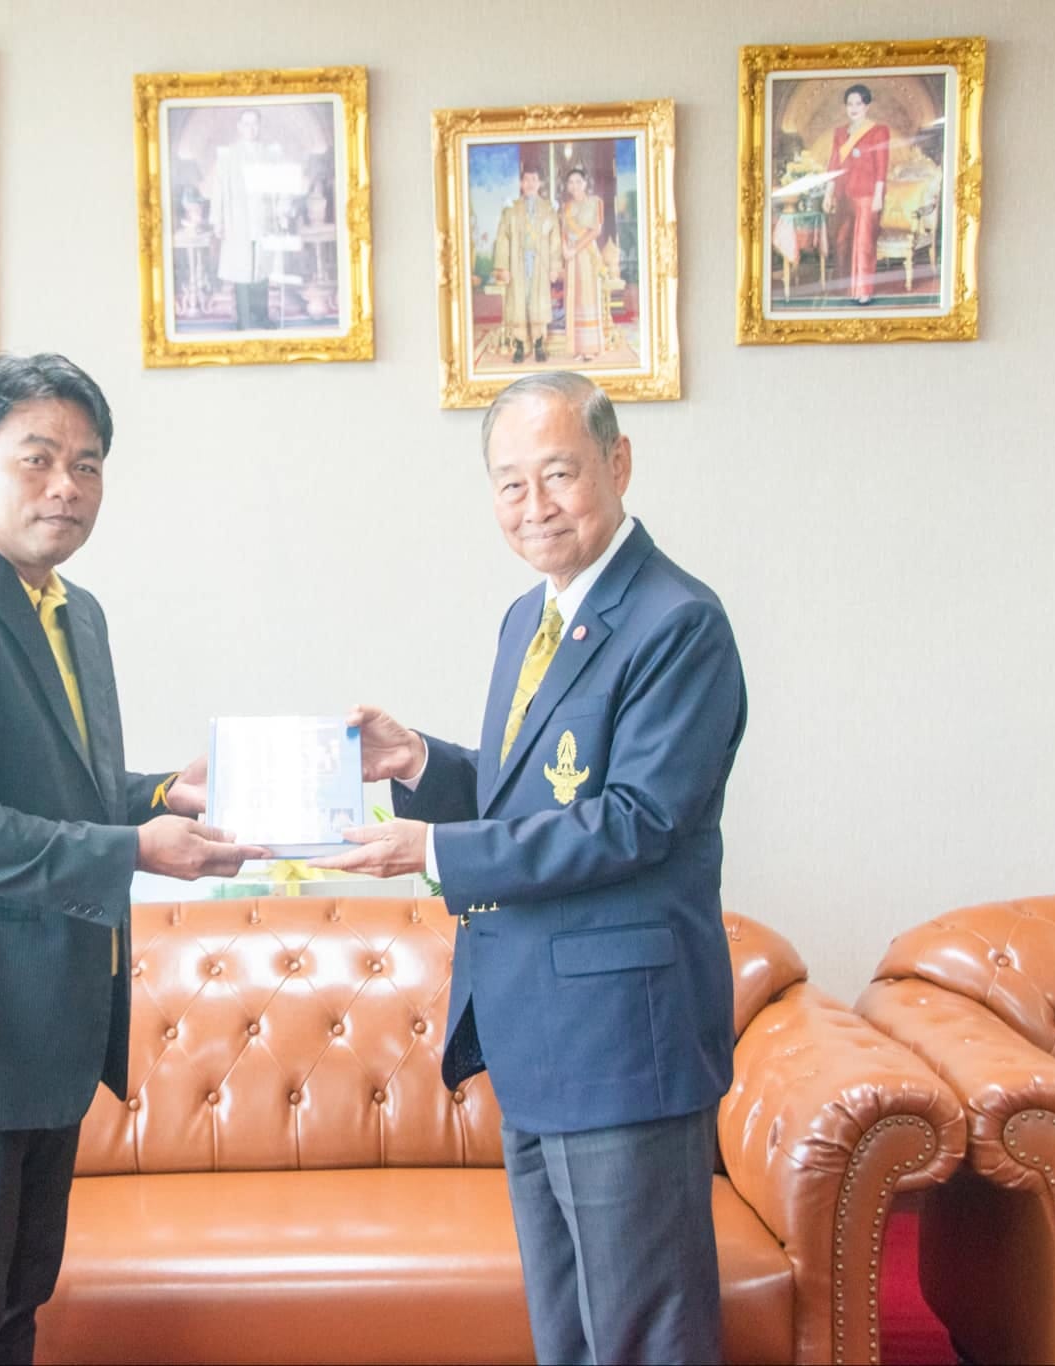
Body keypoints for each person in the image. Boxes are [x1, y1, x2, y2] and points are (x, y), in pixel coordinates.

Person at [315, 371, 747, 1364]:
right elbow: (536, 795)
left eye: (558, 473)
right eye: (509, 484)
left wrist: (434, 852)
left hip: (621, 1041)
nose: (534, 505)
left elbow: (633, 820)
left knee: (642, 1336)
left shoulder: (678, 622)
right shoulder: (529, 617)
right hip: (533, 1030)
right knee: (568, 1334)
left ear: (617, 463)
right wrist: (418, 764)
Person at [0, 351, 267, 1364]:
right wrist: (134, 849)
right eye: (35, 459)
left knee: (13, 1307)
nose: (64, 487)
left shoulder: (73, 611)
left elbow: (57, 790)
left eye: (86, 465)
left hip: (43, 1030)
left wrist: (159, 796)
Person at [207, 108, 278, 330]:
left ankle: (262, 316)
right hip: (238, 220)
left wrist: (279, 214)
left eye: (255, 123)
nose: (251, 128)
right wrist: (217, 221)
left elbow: (276, 188)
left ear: (260, 126)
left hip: (263, 220)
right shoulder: (228, 156)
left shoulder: (268, 155)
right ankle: (244, 321)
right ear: (239, 127)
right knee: (242, 270)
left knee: (261, 270)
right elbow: (218, 190)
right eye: (246, 124)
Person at [825, 83, 890, 304]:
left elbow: (882, 165)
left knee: (863, 244)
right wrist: (828, 193)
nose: (853, 108)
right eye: (850, 104)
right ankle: (846, 289)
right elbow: (834, 164)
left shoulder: (879, 131)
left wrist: (878, 195)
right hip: (844, 194)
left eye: (858, 104)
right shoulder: (840, 133)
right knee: (842, 241)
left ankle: (863, 291)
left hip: (867, 195)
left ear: (866, 106)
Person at [491, 167, 561, 364]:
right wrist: (503, 267)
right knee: (518, 303)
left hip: (540, 264)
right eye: (526, 179)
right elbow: (503, 238)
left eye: (534, 179)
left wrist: (554, 267)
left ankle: (539, 345)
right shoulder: (511, 209)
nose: (530, 183)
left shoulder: (548, 209)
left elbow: (555, 240)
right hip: (517, 263)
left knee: (538, 302)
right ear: (521, 183)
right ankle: (520, 346)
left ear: (540, 183)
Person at [558, 165, 607, 361]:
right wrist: (565, 249)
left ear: (585, 183)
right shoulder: (566, 207)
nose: (575, 185)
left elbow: (595, 231)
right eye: (571, 182)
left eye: (578, 181)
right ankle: (577, 348)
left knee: (587, 297)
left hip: (586, 254)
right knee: (574, 299)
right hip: (571, 258)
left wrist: (574, 249)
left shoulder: (595, 202)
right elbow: (563, 231)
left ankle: (590, 348)